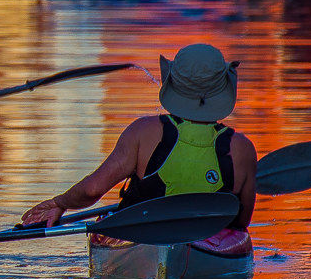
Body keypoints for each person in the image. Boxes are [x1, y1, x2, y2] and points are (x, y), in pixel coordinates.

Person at [20, 44, 257, 236]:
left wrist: (61, 202)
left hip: (145, 239)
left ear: (173, 83)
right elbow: (241, 220)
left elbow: (92, 190)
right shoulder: (243, 148)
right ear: (224, 89)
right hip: (208, 250)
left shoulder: (143, 132)